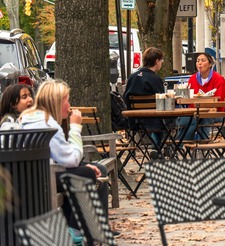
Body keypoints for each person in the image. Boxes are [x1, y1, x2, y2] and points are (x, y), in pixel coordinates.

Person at [19, 80, 115, 238]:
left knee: (92, 170)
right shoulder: (48, 124)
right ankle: (76, 231)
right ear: (57, 102)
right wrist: (76, 128)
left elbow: (62, 158)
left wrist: (82, 166)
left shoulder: (31, 118)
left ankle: (86, 227)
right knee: (88, 174)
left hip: (34, 172)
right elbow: (71, 160)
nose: (70, 105)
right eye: (67, 100)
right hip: (42, 177)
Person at [123, 47, 167, 147]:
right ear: (156, 61)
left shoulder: (132, 77)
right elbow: (162, 101)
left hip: (135, 121)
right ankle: (157, 148)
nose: (162, 63)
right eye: (161, 60)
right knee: (173, 120)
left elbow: (126, 97)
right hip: (154, 121)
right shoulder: (156, 79)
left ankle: (156, 149)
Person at [178, 52, 225, 140]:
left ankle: (199, 147)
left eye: (203, 60)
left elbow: (221, 103)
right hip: (195, 112)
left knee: (202, 118)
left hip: (217, 113)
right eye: (198, 61)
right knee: (187, 119)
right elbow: (189, 99)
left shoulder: (219, 79)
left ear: (210, 64)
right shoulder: (192, 79)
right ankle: (180, 144)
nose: (199, 63)